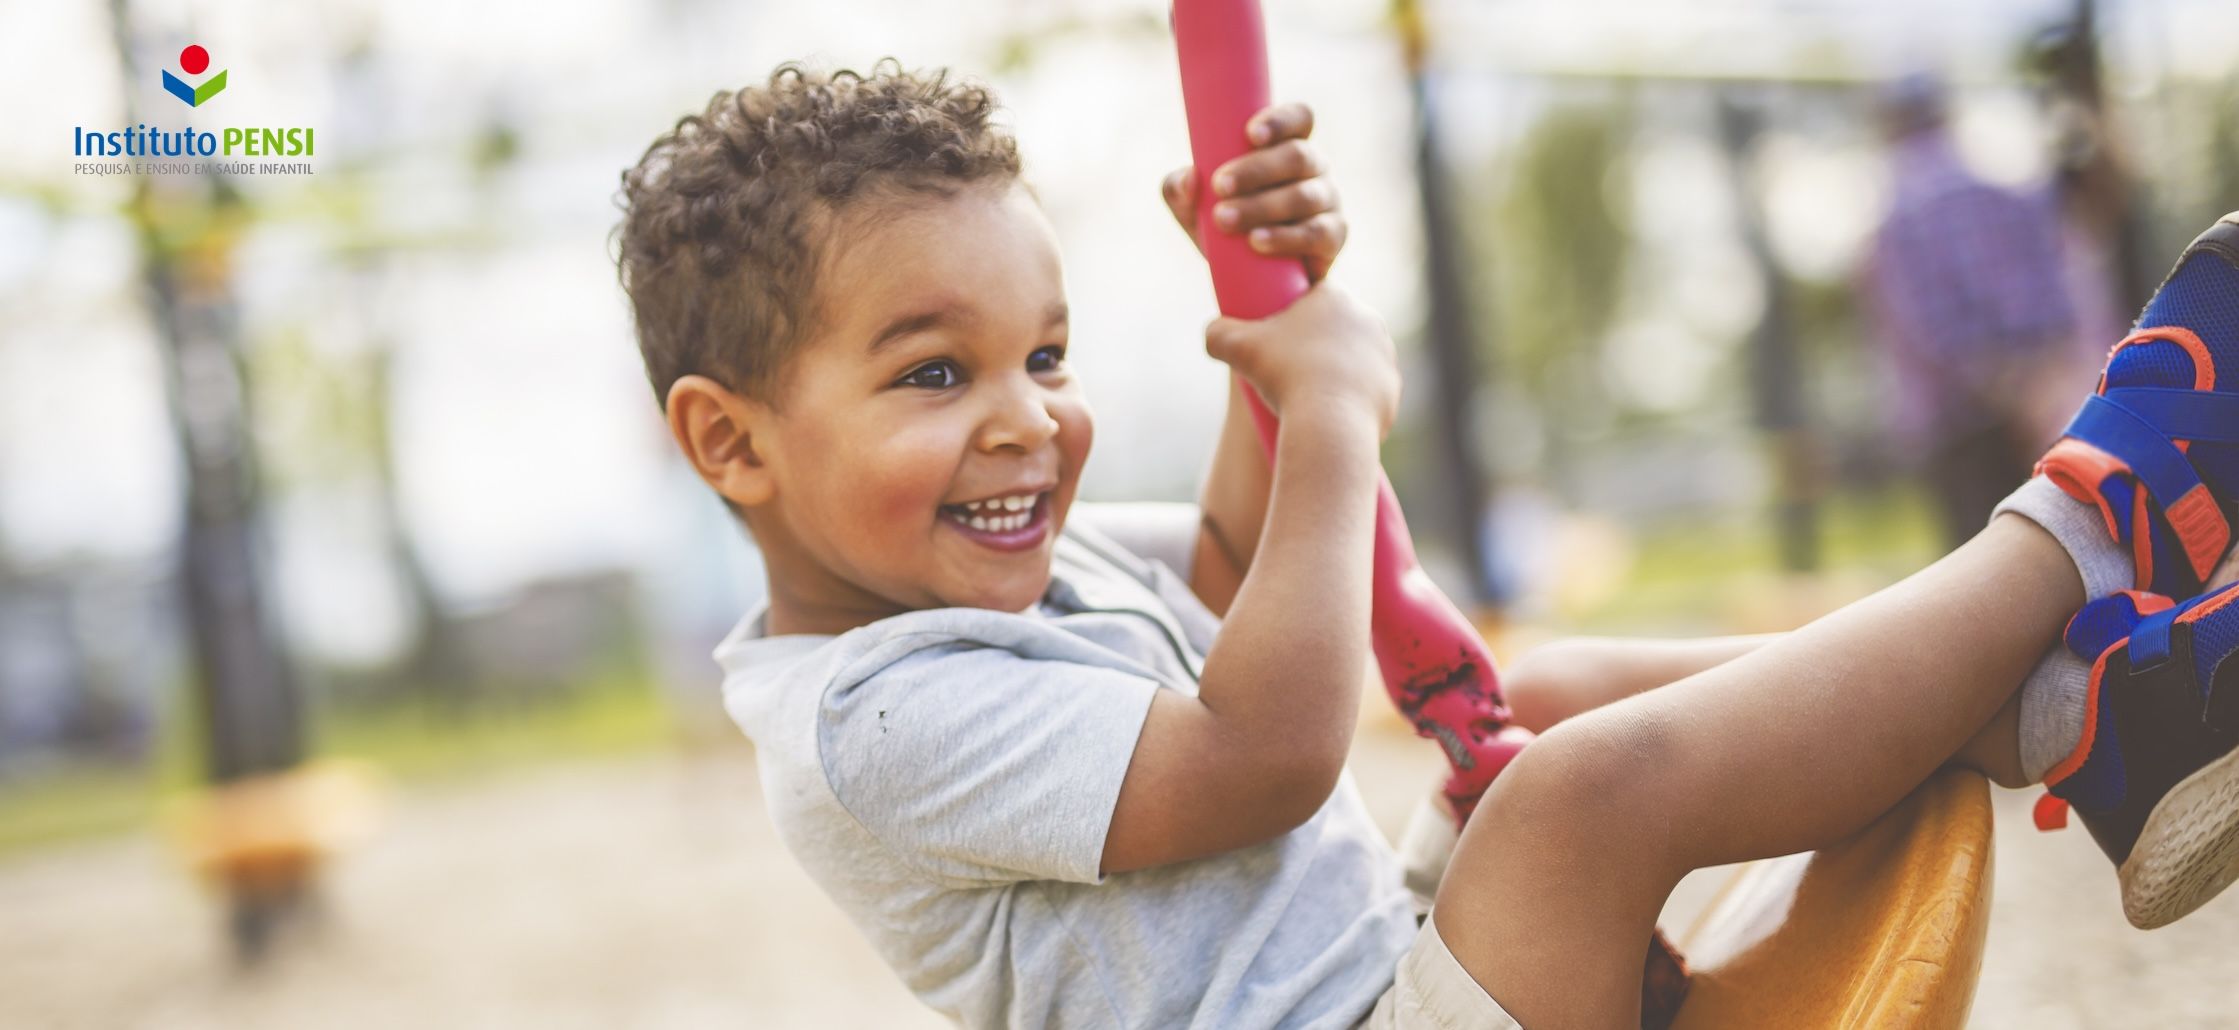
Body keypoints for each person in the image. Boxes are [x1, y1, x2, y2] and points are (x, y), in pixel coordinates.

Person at [614, 62, 2239, 1028]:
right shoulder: (866, 721)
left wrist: (1268, 318)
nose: (1024, 417)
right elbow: (1261, 754)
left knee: (1553, 697)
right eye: (932, 374)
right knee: (1564, 803)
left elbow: (1232, 563)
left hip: (1380, 971)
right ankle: (2081, 527)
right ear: (729, 441)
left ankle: (2059, 710)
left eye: (1043, 354)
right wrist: (1332, 411)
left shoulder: (990, 557)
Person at [1861, 72, 2080, 548]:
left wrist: (1995, 383)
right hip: (2039, 411)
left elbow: (1927, 328)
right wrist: (2032, 388)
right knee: (2056, 555)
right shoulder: (2010, 197)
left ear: (1889, 123)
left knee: (1977, 565)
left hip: (1956, 424)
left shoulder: (1896, 216)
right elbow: (2060, 300)